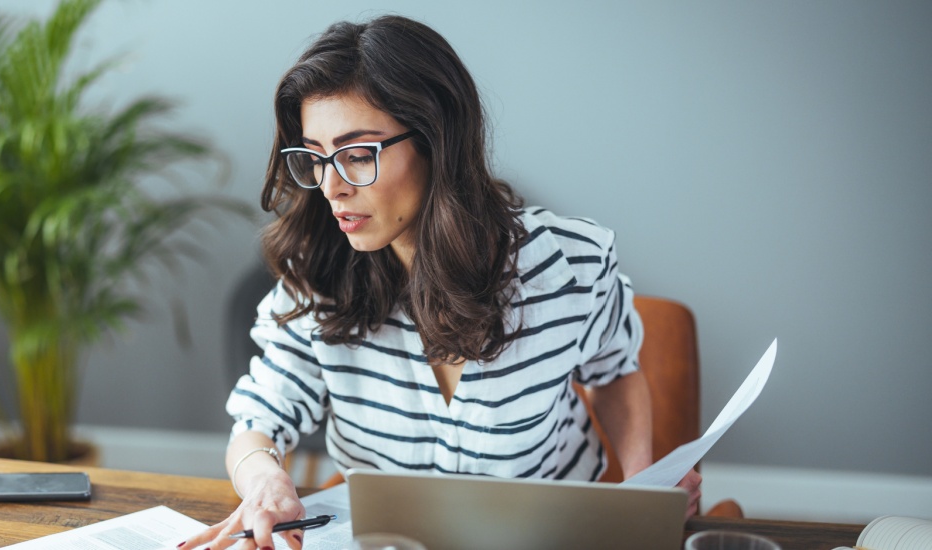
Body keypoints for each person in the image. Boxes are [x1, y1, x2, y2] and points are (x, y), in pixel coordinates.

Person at [181, 15, 701, 550]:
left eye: (358, 155)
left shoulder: (569, 264)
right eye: (315, 158)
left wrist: (643, 491)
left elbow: (614, 374)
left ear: (436, 140)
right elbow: (260, 418)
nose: (331, 187)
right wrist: (265, 479)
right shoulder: (318, 277)